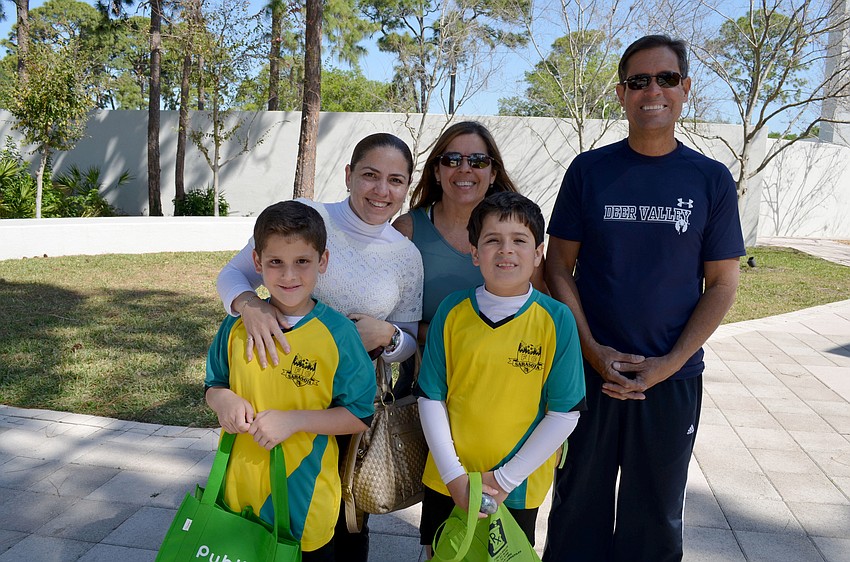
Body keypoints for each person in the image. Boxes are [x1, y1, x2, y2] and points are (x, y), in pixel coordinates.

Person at [542, 35, 745, 562]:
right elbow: (556, 266)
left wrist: (668, 363)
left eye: (666, 79)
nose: (652, 90)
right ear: (621, 92)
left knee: (654, 516)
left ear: (685, 90)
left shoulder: (711, 179)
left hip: (671, 379)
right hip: (587, 376)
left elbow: (722, 283)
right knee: (576, 507)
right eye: (638, 81)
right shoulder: (589, 171)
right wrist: (591, 350)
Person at [216, 132, 423, 561]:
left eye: (395, 180)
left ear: (407, 187)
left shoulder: (406, 255)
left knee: (346, 510)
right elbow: (235, 275)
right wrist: (249, 305)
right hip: (284, 375)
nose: (381, 190)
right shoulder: (309, 217)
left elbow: (407, 340)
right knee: (272, 498)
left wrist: (388, 336)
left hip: (350, 389)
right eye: (369, 175)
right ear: (348, 175)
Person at [415, 192, 586, 556]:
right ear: (475, 253)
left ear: (538, 253)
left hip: (516, 487)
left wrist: (504, 479)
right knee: (441, 554)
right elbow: (431, 398)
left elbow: (565, 413)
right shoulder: (452, 311)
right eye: (492, 240)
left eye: (519, 241)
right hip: (448, 480)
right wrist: (454, 476)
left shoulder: (556, 320)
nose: (506, 250)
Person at [205, 200, 376, 562]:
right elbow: (214, 383)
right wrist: (222, 401)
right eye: (275, 263)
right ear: (257, 264)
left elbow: (359, 414)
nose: (288, 276)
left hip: (305, 498)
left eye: (302, 262)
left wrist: (295, 420)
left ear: (322, 262)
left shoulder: (339, 334)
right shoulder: (235, 329)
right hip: (239, 493)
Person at [392, 121, 544, 394]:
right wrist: (462, 336)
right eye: (451, 160)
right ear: (437, 172)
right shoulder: (408, 230)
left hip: (507, 388)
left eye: (478, 160)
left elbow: (541, 313)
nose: (465, 169)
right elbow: (393, 321)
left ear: (493, 172)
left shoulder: (522, 234)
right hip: (425, 389)